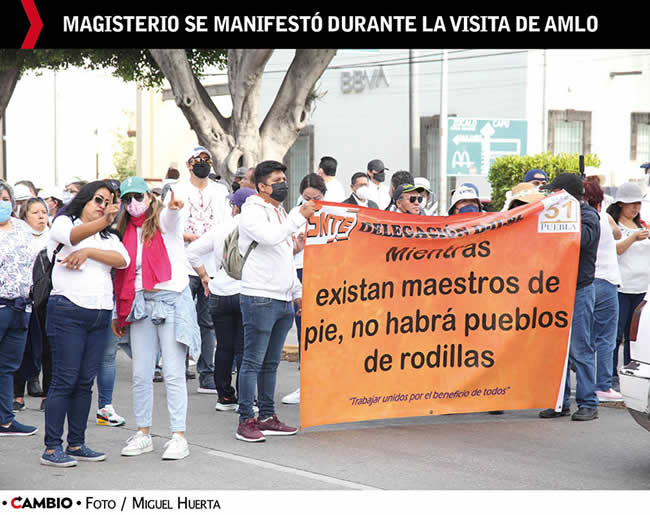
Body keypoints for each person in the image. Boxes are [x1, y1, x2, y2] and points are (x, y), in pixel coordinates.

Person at [41, 180, 128, 467]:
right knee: (64, 380)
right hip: (68, 310)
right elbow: (74, 237)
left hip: (99, 314)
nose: (103, 206)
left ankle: (76, 443)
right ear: (85, 200)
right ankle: (52, 448)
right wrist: (99, 227)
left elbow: (122, 260)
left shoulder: (108, 236)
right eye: (98, 200)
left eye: (108, 202)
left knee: (83, 383)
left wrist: (90, 253)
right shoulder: (64, 222)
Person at [113, 176, 200, 460]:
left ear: (149, 197)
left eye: (138, 197)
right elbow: (121, 273)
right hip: (140, 304)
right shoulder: (124, 231)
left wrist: (174, 207)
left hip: (171, 300)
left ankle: (178, 437)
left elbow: (173, 218)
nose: (133, 204)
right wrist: (119, 311)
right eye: (127, 199)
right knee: (141, 374)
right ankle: (143, 433)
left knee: (174, 373)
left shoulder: (162, 220)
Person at [235, 160, 316, 442]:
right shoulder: (252, 211)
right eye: (277, 180)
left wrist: (296, 292)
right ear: (261, 186)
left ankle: (267, 416)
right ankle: (246, 420)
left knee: (271, 363)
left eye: (284, 178)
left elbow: (284, 255)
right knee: (252, 361)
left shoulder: (280, 212)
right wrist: (298, 216)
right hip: (259, 296)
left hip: (282, 297)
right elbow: (269, 239)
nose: (283, 183)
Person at [187, 187, 258, 412]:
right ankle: (248, 399)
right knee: (244, 349)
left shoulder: (220, 229)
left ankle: (224, 397)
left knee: (224, 347)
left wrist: (204, 276)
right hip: (247, 291)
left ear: (236, 206)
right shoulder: (257, 229)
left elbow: (192, 252)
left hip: (219, 291)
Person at [539, 173, 600, 421]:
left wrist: (561, 224)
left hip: (579, 290)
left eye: (555, 193)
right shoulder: (560, 215)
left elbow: (582, 241)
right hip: (556, 290)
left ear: (564, 195)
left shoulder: (588, 216)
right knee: (557, 349)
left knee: (580, 348)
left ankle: (588, 402)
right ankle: (559, 402)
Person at [173, 146, 230, 393]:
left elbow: (227, 225)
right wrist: (184, 235)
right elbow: (167, 223)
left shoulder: (220, 191)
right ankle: (177, 369)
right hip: (183, 264)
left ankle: (206, 373)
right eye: (198, 160)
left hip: (212, 266)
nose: (203, 164)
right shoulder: (177, 190)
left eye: (207, 159)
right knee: (182, 318)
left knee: (207, 321)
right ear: (188, 164)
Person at [282, 174, 326, 406]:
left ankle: (327, 384)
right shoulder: (293, 216)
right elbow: (283, 250)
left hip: (326, 275)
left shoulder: (332, 215)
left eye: (316, 198)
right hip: (300, 273)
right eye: (306, 198)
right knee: (304, 331)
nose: (310, 203)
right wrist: (297, 246)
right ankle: (306, 385)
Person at [0, 181, 40, 437]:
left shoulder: (23, 229)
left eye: (5, 198)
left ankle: (5, 419)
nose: (2, 202)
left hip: (21, 307)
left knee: (7, 366)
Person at [605, 181, 650, 391]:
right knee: (616, 334)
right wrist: (632, 238)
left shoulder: (643, 226)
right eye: (632, 204)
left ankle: (631, 375)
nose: (635, 208)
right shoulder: (614, 226)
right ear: (621, 204)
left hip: (641, 288)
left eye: (638, 204)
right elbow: (617, 250)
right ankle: (611, 377)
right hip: (621, 287)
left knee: (633, 336)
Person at [583, 180, 624, 403]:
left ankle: (586, 385)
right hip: (607, 281)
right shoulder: (604, 218)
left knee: (585, 339)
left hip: (585, 283)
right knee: (606, 338)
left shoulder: (575, 219)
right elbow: (618, 234)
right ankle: (603, 385)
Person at [13, 197, 50, 410]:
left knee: (48, 348)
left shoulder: (54, 238)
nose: (41, 216)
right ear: (24, 216)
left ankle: (47, 395)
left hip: (48, 301)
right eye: (35, 212)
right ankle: (18, 395)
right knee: (22, 347)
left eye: (43, 212)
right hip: (25, 299)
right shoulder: (19, 238)